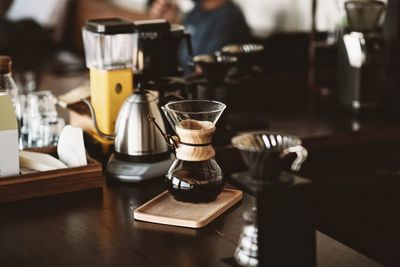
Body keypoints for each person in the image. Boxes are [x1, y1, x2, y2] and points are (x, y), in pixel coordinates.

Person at [149, 0, 250, 73]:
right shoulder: (197, 10)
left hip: (204, 97)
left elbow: (204, 71)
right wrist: (168, 24)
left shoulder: (229, 18)